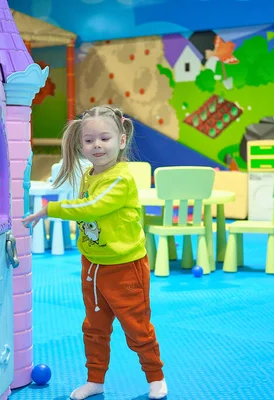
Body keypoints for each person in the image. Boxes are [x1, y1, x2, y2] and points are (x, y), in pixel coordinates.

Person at [22, 106, 167, 400]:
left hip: (125, 267)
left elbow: (94, 207)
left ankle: (156, 377)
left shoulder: (120, 178)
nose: (97, 145)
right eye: (89, 140)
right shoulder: (90, 173)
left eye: (105, 138)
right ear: (80, 143)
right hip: (93, 266)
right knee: (94, 328)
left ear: (122, 140)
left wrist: (52, 208)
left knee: (137, 329)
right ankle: (95, 380)